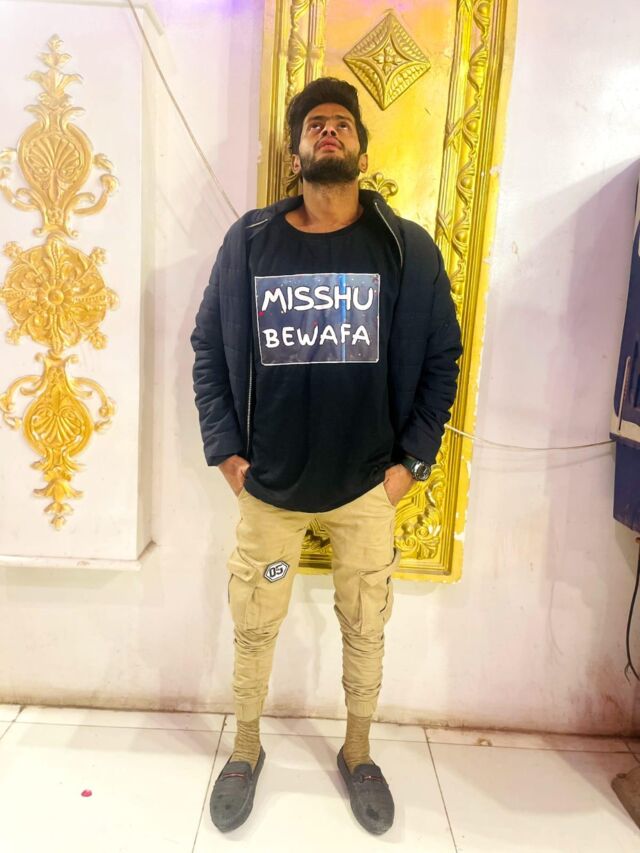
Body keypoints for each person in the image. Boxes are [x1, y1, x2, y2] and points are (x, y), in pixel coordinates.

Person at [190, 76, 462, 835]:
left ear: (364, 153)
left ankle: (359, 751)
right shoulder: (250, 242)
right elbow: (208, 347)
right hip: (269, 486)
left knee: (366, 623)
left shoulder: (404, 249)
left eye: (342, 123)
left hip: (367, 484)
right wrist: (226, 454)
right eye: (315, 125)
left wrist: (411, 463)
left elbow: (443, 356)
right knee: (254, 622)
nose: (329, 131)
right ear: (296, 152)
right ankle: (246, 749)